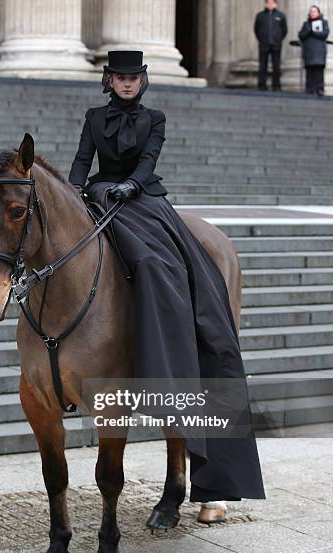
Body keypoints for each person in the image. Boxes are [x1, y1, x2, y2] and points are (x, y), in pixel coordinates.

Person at [68, 50, 265, 514]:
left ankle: (171, 330)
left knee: (158, 264)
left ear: (142, 80)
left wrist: (132, 187)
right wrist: (76, 191)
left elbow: (147, 161)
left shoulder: (155, 118)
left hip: (142, 198)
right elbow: (81, 160)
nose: (128, 83)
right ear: (109, 80)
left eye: (135, 77)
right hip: (99, 194)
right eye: (121, 77)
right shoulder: (94, 117)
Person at [254, 0, 288, 91]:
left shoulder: (281, 16)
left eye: (272, 3)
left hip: (276, 44)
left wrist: (278, 39)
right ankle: (262, 85)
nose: (270, 4)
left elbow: (284, 30)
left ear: (275, 4)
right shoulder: (260, 16)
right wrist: (261, 39)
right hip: (264, 44)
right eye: (268, 3)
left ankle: (276, 85)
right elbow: (256, 29)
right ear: (265, 4)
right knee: (262, 66)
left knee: (276, 66)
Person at [299, 5, 329, 96]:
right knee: (310, 71)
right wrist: (308, 31)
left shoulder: (324, 23)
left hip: (319, 51)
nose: (313, 13)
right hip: (309, 51)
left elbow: (325, 34)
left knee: (319, 71)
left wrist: (313, 32)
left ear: (318, 13)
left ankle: (319, 88)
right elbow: (301, 35)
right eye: (311, 11)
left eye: (314, 11)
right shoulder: (306, 24)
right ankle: (309, 88)